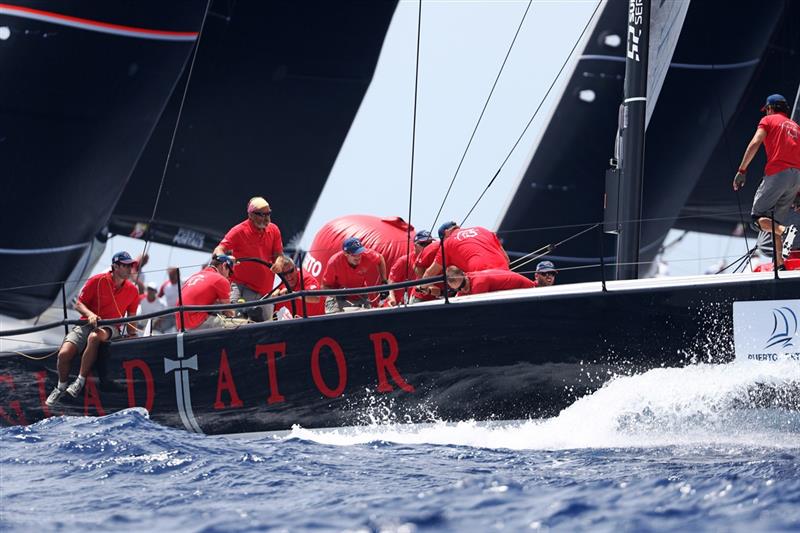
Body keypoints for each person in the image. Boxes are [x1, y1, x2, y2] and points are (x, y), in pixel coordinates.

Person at [46, 251, 140, 406]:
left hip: (110, 327)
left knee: (95, 337)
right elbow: (78, 303)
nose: (130, 269)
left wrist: (134, 337)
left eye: (131, 265)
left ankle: (79, 382)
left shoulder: (133, 290)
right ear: (115, 266)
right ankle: (61, 386)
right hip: (86, 323)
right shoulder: (97, 280)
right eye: (126, 265)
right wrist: (90, 315)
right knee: (64, 353)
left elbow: (131, 319)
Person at [733, 93, 800, 267]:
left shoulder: (768, 121)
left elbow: (755, 142)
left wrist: (742, 170)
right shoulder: (796, 127)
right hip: (796, 177)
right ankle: (779, 264)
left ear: (770, 108)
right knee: (774, 222)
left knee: (757, 219)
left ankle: (785, 231)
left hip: (778, 173)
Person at [213, 196, 283, 321]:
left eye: (269, 213)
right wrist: (225, 258)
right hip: (240, 286)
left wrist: (279, 263)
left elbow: (279, 255)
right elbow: (219, 250)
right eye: (262, 214)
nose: (267, 218)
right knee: (231, 321)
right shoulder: (238, 231)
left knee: (265, 329)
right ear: (251, 215)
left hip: (264, 292)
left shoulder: (274, 230)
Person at [420, 221, 509, 286]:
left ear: (446, 233)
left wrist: (421, 287)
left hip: (481, 278)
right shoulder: (482, 230)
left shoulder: (447, 242)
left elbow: (430, 273)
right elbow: (506, 259)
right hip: (506, 274)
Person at [322, 237, 389, 312]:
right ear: (345, 253)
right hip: (337, 297)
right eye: (354, 254)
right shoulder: (334, 263)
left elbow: (380, 259)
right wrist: (338, 293)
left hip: (360, 293)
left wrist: (384, 282)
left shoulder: (367, 254)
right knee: (335, 319)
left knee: (369, 318)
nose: (358, 257)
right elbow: (325, 287)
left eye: (359, 253)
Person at [175, 255, 238, 331]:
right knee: (240, 326)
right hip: (196, 322)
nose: (228, 276)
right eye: (229, 272)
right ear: (224, 266)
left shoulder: (194, 275)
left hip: (180, 325)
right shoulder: (220, 279)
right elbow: (229, 313)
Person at [386, 230, 435, 305]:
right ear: (415, 245)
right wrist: (392, 298)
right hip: (404, 304)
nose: (427, 246)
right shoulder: (404, 260)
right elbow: (391, 281)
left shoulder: (434, 259)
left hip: (430, 300)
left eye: (429, 243)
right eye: (423, 244)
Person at [445, 266, 534, 296]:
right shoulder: (467, 279)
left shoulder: (479, 283)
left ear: (464, 275)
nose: (462, 290)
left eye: (462, 285)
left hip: (528, 289)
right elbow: (460, 296)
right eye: (457, 289)